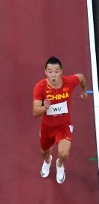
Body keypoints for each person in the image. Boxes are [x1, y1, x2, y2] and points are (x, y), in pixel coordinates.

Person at [32, 56, 89, 184]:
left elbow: (81, 77)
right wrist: (45, 107)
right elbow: (35, 112)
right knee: (44, 152)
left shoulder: (69, 81)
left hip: (64, 127)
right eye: (50, 71)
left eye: (56, 71)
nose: (54, 75)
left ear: (61, 71)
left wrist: (85, 92)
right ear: (45, 72)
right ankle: (48, 161)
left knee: (64, 153)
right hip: (47, 128)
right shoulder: (40, 87)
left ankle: (59, 164)